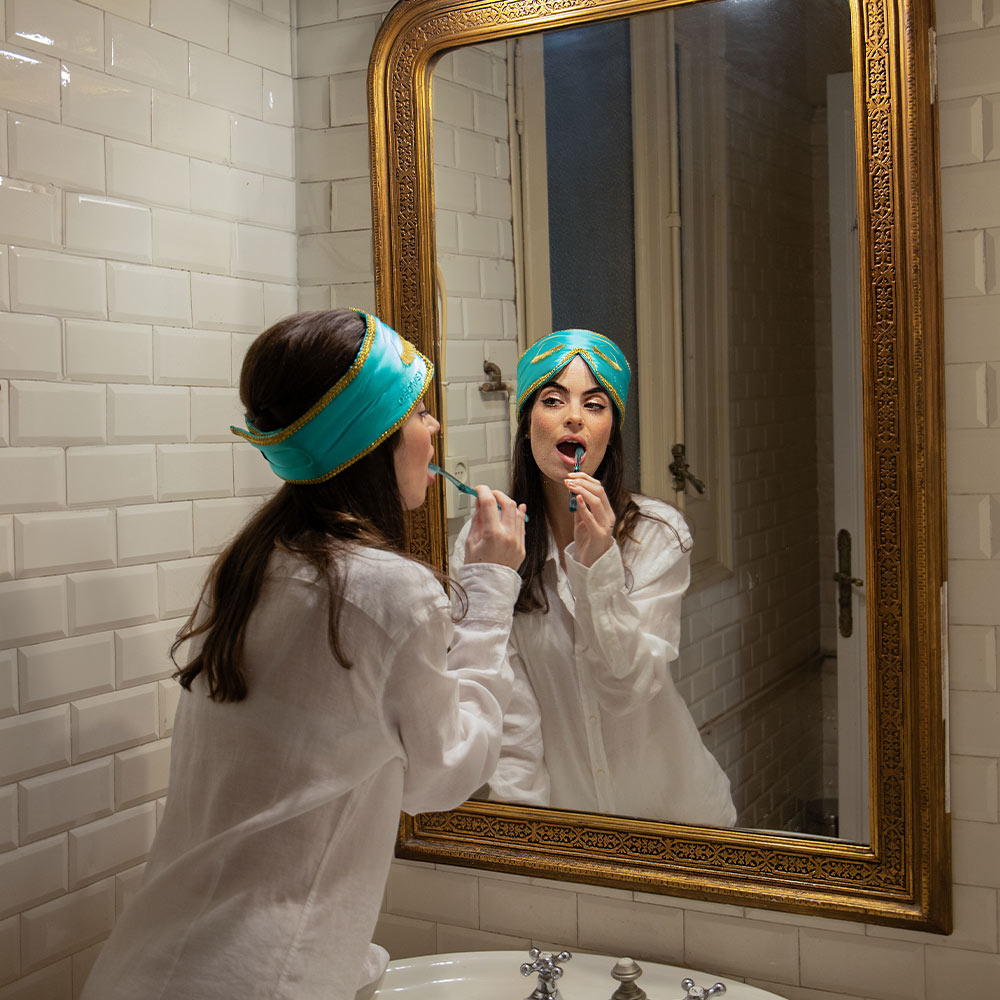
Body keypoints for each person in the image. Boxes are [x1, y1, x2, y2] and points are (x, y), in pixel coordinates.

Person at [80, 309, 527, 1000]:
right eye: (417, 413)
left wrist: (340, 960)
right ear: (372, 437)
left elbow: (288, 787)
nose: (435, 429)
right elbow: (440, 779)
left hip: (142, 967)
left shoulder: (247, 568)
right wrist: (492, 584)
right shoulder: (390, 592)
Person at [452, 329, 735, 827]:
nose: (575, 417)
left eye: (595, 404)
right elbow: (510, 720)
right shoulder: (486, 543)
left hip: (680, 818)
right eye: (553, 399)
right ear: (526, 422)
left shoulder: (658, 536)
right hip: (569, 826)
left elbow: (625, 688)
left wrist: (599, 562)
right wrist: (532, 836)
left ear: (611, 431)